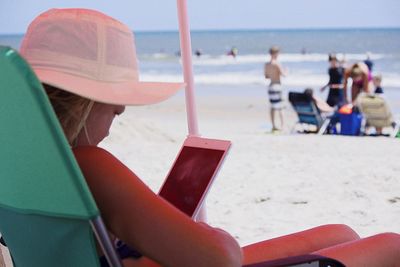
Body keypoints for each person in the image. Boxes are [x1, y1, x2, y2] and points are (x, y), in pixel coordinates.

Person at [20, 8, 400, 267]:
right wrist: (203, 231)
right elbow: (221, 258)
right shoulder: (87, 164)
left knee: (340, 232)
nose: (121, 111)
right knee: (391, 246)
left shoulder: (22, 167)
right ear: (83, 103)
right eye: (115, 99)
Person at [264, 46, 287, 132]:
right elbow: (283, 74)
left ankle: (273, 125)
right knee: (281, 107)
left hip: (270, 86)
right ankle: (282, 126)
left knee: (273, 107)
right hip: (277, 86)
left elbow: (266, 76)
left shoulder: (266, 65)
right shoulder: (277, 63)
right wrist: (287, 71)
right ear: (275, 53)